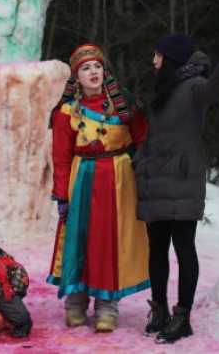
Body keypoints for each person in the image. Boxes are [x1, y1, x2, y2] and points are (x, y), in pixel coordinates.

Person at [132, 31, 219, 344]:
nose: (153, 61)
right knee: (157, 249)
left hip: (183, 180)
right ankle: (159, 312)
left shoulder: (194, 87)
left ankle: (182, 317)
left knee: (184, 249)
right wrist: (139, 163)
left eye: (158, 56)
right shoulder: (163, 90)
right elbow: (153, 137)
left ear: (169, 58)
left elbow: (213, 90)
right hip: (155, 179)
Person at [47, 43, 150, 333]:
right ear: (76, 76)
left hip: (119, 181)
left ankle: (107, 305)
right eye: (85, 68)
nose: (93, 72)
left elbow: (143, 140)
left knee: (110, 241)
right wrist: (62, 196)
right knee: (79, 239)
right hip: (81, 179)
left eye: (97, 66)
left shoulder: (124, 102)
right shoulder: (67, 110)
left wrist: (144, 179)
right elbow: (61, 157)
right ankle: (76, 302)